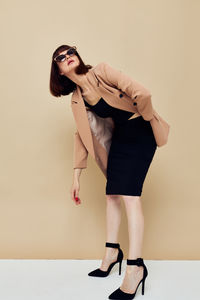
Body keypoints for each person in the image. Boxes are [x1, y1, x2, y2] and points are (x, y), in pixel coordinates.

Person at [50, 45, 157, 299]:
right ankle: (112, 252)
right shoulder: (76, 99)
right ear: (59, 72)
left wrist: (145, 118)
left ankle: (135, 268)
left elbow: (141, 92)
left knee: (131, 196)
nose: (68, 57)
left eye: (70, 51)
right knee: (112, 195)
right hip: (120, 140)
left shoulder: (101, 71)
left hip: (140, 133)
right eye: (61, 58)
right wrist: (76, 177)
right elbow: (81, 136)